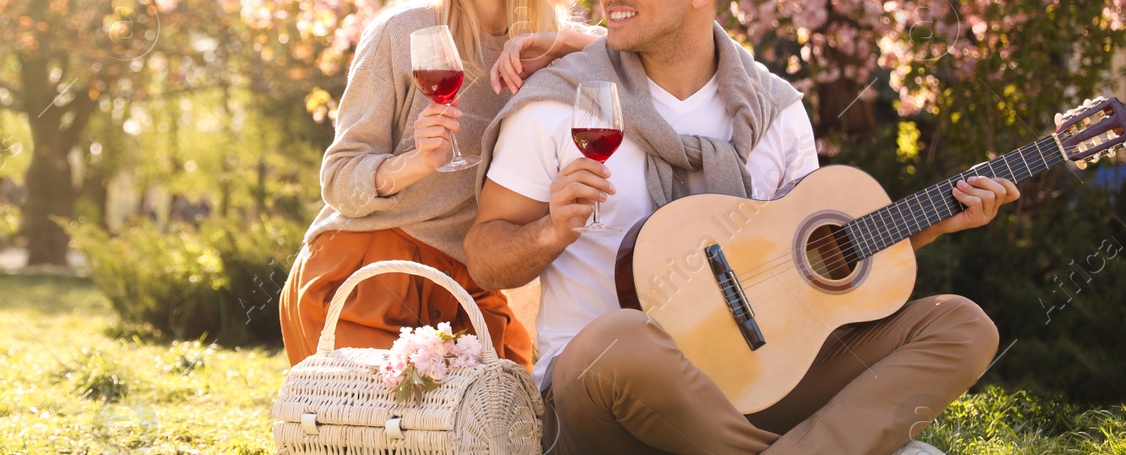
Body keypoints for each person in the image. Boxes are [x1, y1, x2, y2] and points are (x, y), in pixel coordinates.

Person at [465, 0, 1019, 453]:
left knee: (963, 325)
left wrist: (924, 227)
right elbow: (484, 257)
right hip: (605, 393)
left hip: (752, 385)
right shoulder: (561, 105)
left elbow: (810, 264)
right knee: (620, 338)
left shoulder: (775, 110)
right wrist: (550, 232)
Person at [279, 0, 594, 372]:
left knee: (501, 415)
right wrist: (417, 162)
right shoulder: (401, 31)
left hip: (466, 283)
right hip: (370, 272)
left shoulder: (551, 43)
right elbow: (338, 179)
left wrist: (562, 42)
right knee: (390, 422)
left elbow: (629, 47)